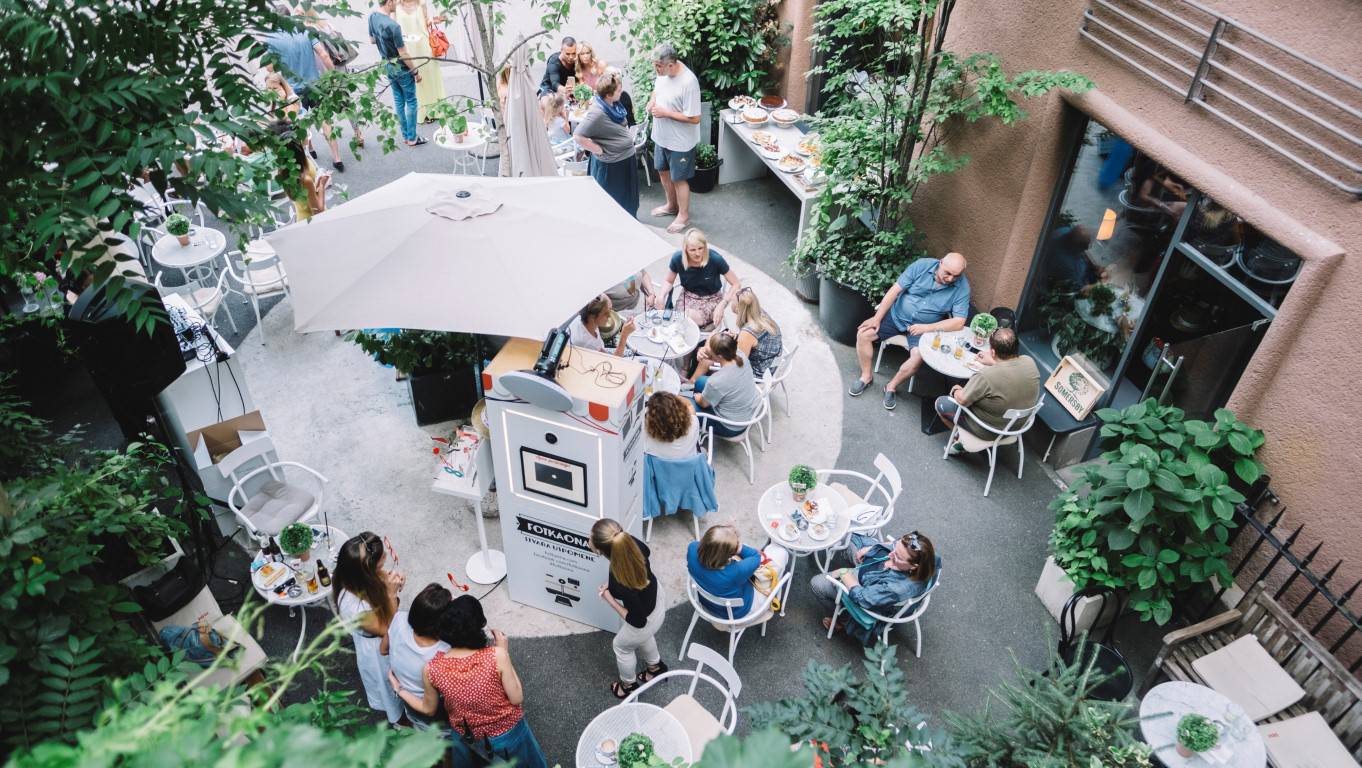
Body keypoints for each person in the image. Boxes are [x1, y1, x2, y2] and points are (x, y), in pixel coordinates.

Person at [389, 596, 548, 768]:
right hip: (508, 734)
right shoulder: (496, 656)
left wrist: (399, 689)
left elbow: (428, 709)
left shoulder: (432, 668)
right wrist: (504, 651)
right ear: (479, 627)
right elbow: (516, 698)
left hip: (467, 738)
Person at [849, 252, 971, 411]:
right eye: (947, 273)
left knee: (918, 357)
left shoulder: (962, 287)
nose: (950, 279)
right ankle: (866, 376)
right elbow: (895, 290)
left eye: (956, 276)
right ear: (940, 263)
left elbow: (959, 322)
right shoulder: (922, 266)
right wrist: (877, 318)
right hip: (896, 317)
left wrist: (927, 328)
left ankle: (891, 386)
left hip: (924, 329)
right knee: (863, 334)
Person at [261, 3, 347, 171]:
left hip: (292, 91)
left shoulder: (271, 39)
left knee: (299, 125)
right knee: (325, 121)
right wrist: (334, 76)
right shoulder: (305, 30)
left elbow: (269, 68)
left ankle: (310, 155)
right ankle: (337, 158)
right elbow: (323, 54)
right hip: (315, 85)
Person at [589, 518, 666, 698]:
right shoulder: (628, 541)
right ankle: (655, 668)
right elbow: (646, 551)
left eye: (590, 538)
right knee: (642, 637)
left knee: (621, 646)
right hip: (657, 598)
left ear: (599, 551)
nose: (588, 539)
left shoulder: (619, 583)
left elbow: (638, 621)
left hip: (645, 619)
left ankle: (628, 685)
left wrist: (610, 599)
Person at [333, 531, 404, 723]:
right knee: (390, 687)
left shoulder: (362, 575)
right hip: (377, 652)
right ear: (366, 570)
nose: (386, 560)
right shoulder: (352, 606)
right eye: (381, 561)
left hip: (385, 633)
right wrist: (391, 595)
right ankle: (400, 722)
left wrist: (392, 590)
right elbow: (388, 629)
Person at [810, 531, 938, 635]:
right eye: (895, 548)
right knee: (847, 535)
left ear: (914, 566)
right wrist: (871, 548)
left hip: (867, 589)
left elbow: (862, 597)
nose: (891, 554)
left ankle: (844, 618)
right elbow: (895, 544)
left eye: (898, 557)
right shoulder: (925, 556)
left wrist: (843, 573)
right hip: (871, 567)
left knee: (816, 584)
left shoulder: (896, 588)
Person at [935, 327, 1041, 448]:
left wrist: (956, 390)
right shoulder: (1029, 361)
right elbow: (1012, 370)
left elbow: (962, 400)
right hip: (1016, 427)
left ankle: (960, 440)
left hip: (987, 430)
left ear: (993, 352)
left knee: (941, 403)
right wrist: (993, 362)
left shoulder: (986, 375)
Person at [647, 43, 702, 234]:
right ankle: (671, 206)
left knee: (679, 179)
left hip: (680, 142)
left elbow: (695, 118)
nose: (656, 70)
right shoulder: (662, 74)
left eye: (658, 66)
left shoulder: (689, 82)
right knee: (662, 171)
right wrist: (652, 101)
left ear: (671, 65)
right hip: (661, 136)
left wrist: (666, 113)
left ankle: (683, 216)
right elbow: (657, 91)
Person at [383, 583, 452, 727]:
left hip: (409, 704)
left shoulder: (399, 620)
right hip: (433, 709)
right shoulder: (445, 650)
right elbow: (431, 709)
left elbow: (383, 649)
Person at [574, 70, 639, 218]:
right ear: (609, 94)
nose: (621, 93)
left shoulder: (614, 104)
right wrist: (597, 150)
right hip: (612, 166)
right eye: (619, 90)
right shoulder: (597, 112)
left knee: (628, 202)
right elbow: (578, 136)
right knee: (613, 206)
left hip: (625, 159)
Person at [686, 524, 789, 617]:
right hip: (737, 611)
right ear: (729, 554)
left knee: (769, 553)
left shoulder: (692, 548)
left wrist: (726, 536)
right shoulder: (735, 571)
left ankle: (772, 548)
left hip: (706, 600)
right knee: (782, 553)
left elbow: (713, 546)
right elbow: (756, 556)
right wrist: (739, 547)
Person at [299, 9, 367, 147]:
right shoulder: (324, 23)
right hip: (338, 69)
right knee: (347, 103)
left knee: (314, 109)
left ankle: (310, 144)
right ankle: (358, 133)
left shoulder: (305, 31)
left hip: (320, 74)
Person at [656, 229, 740, 330]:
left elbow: (736, 284)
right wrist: (661, 295)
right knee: (678, 321)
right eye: (692, 250)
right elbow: (669, 281)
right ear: (685, 249)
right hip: (688, 295)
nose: (698, 253)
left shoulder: (715, 259)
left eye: (701, 248)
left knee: (685, 320)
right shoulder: (678, 258)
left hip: (711, 298)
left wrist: (723, 304)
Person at [369, 0, 426, 147]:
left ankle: (406, 136)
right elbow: (403, 53)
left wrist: (386, 42)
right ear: (389, 2)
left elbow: (372, 40)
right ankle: (413, 138)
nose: (397, 2)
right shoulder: (394, 26)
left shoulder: (373, 17)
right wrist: (416, 72)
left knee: (399, 101)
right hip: (401, 68)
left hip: (387, 65)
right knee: (411, 101)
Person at [691, 332, 761, 437]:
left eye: (710, 350)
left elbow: (703, 404)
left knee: (686, 405)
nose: (708, 350)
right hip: (745, 413)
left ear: (719, 356)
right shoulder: (740, 355)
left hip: (729, 426)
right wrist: (705, 350)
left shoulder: (716, 381)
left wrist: (697, 397)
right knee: (700, 381)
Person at [394, 0, 449, 124]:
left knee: (431, 79)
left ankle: (435, 111)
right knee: (416, 81)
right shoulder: (396, 6)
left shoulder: (421, 4)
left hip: (424, 47)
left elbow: (426, 22)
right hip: (408, 49)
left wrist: (435, 20)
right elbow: (394, 29)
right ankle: (421, 112)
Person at [269, 120, 328, 220]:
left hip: (301, 212)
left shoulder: (284, 167)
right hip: (311, 220)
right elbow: (318, 212)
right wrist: (322, 185)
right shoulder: (305, 179)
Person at [726, 286, 783, 379]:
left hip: (759, 375)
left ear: (738, 309)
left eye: (732, 301)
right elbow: (757, 342)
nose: (730, 303)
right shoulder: (760, 314)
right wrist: (737, 337)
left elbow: (739, 367)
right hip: (772, 363)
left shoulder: (747, 333)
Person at [569, 294, 635, 355]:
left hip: (601, 351)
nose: (610, 316)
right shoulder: (587, 344)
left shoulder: (584, 318)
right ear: (592, 317)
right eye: (606, 313)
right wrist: (624, 335)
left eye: (610, 310)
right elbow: (613, 362)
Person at [643, 391, 700, 459]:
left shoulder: (647, 439)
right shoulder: (694, 424)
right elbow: (689, 404)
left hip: (660, 469)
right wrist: (670, 398)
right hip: (691, 467)